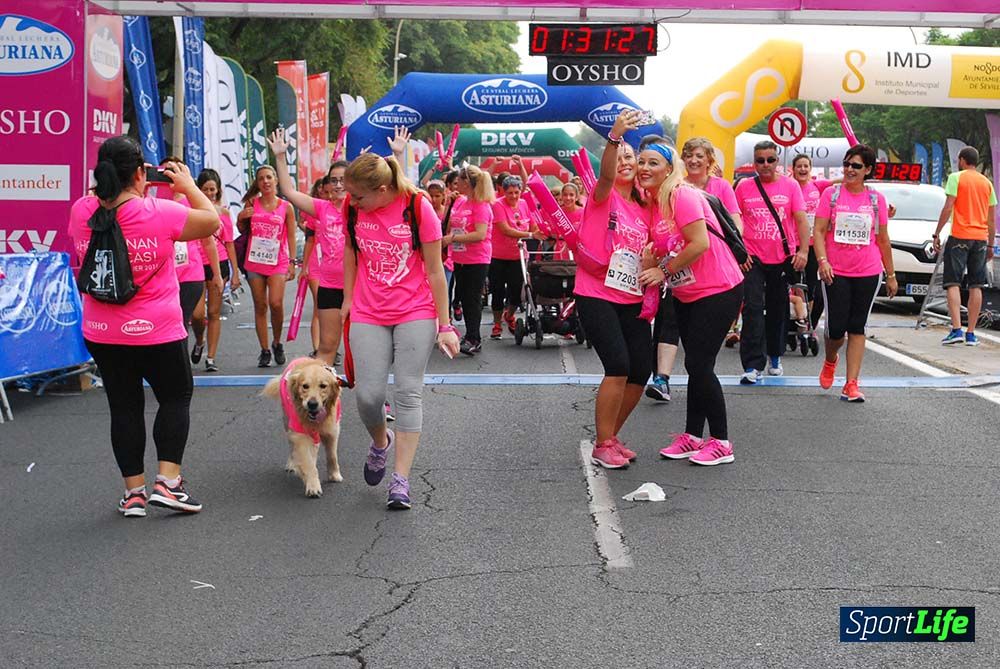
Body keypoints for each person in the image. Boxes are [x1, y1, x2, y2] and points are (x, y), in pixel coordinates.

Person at [68, 136, 219, 516]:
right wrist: (185, 186)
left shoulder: (81, 210)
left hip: (102, 331)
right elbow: (213, 221)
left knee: (124, 407)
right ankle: (167, 483)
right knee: (174, 396)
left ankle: (133, 493)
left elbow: (100, 202)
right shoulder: (161, 211)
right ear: (140, 173)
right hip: (157, 329)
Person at [342, 153, 460, 509]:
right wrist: (348, 298)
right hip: (368, 310)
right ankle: (381, 442)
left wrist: (445, 325)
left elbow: (437, 271)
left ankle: (401, 479)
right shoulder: (353, 208)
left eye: (359, 196)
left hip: (415, 311)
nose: (353, 201)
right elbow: (350, 250)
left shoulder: (418, 208)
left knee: (408, 393)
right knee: (368, 396)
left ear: (382, 189)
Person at [637, 137, 745, 464]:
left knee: (699, 364)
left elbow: (699, 244)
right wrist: (651, 258)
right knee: (695, 365)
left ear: (670, 168)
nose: (644, 168)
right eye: (642, 162)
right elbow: (669, 242)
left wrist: (663, 270)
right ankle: (693, 436)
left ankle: (722, 442)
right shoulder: (655, 201)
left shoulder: (681, 194)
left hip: (719, 288)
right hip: (688, 291)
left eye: (653, 163)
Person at [574, 110, 651, 469]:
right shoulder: (602, 195)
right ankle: (604, 442)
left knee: (640, 370)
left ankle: (610, 436)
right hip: (596, 292)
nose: (624, 162)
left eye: (630, 158)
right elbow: (606, 173)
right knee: (618, 365)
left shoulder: (645, 207)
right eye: (620, 157)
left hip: (633, 294)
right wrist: (614, 138)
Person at [813, 144, 895, 402]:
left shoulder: (876, 199)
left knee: (857, 326)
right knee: (836, 329)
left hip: (868, 271)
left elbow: (883, 239)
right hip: (835, 271)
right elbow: (818, 231)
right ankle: (830, 359)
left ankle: (851, 383)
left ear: (867, 170)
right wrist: (822, 261)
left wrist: (891, 275)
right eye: (847, 164)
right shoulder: (831, 195)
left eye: (856, 166)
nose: (849, 170)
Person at [267, 130, 347, 367]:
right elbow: (290, 193)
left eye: (344, 179)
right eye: (334, 180)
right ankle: (323, 398)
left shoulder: (362, 208)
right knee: (326, 348)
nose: (338, 184)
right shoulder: (322, 208)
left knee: (361, 348)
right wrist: (280, 157)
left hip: (359, 289)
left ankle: (372, 396)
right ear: (328, 185)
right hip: (329, 285)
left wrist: (397, 154)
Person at [734, 140, 809, 383]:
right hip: (753, 257)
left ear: (777, 161)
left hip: (782, 257)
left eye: (770, 160)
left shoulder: (790, 186)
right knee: (753, 308)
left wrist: (804, 252)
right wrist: (740, 252)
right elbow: (735, 222)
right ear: (753, 162)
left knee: (778, 309)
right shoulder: (744, 187)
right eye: (760, 160)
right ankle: (752, 365)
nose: (765, 165)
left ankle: (775, 356)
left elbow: (801, 220)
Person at [933, 146, 997, 347]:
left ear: (961, 160)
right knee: (976, 285)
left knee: (953, 282)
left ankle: (956, 329)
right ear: (976, 161)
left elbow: (948, 206)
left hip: (959, 236)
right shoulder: (987, 183)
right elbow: (991, 220)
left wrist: (937, 232)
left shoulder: (956, 177)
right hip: (980, 238)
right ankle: (971, 333)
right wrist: (991, 245)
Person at [238, 164, 297, 368]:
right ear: (258, 183)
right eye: (261, 178)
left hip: (277, 260)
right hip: (254, 260)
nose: (266, 181)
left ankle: (277, 342)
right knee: (260, 305)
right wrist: (240, 218)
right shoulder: (252, 203)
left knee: (276, 303)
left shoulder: (286, 207)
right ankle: (264, 350)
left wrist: (292, 262)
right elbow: (241, 229)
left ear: (276, 180)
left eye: (269, 177)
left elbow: (290, 235)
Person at [162, 158, 223, 355]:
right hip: (164, 272)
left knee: (195, 317)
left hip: (191, 270)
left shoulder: (193, 201)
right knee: (175, 320)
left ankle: (198, 340)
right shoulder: (155, 200)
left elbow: (208, 241)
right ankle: (176, 360)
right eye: (165, 171)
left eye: (174, 170)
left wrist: (217, 274)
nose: (169, 175)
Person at [443, 165, 494, 355]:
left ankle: (474, 337)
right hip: (459, 257)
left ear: (468, 182)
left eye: (461, 181)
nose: (458, 184)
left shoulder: (481, 205)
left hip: (477, 258)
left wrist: (453, 239)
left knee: (472, 299)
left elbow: (480, 234)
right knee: (463, 297)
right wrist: (449, 205)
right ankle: (469, 334)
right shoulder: (460, 202)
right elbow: (450, 225)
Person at [193, 169, 240, 372]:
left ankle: (210, 357)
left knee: (213, 312)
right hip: (195, 264)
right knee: (196, 314)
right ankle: (199, 340)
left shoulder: (224, 213)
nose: (210, 193)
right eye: (205, 189)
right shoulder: (191, 210)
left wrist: (235, 272)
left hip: (218, 264)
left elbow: (229, 243)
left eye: (213, 189)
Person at [792, 153, 840, 335]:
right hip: (794, 244)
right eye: (799, 166)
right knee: (796, 284)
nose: (803, 169)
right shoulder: (789, 187)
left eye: (806, 166)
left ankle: (810, 324)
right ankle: (799, 318)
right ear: (793, 169)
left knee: (813, 286)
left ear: (810, 169)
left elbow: (841, 181)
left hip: (814, 244)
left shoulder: (817, 186)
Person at [489, 175, 542, 338]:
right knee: (497, 291)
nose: (513, 196)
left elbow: (533, 224)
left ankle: (510, 315)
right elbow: (505, 229)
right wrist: (531, 235)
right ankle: (497, 323)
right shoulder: (497, 205)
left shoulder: (524, 204)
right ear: (504, 192)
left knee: (516, 291)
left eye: (516, 192)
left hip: (518, 255)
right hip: (498, 255)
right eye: (510, 192)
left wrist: (537, 231)